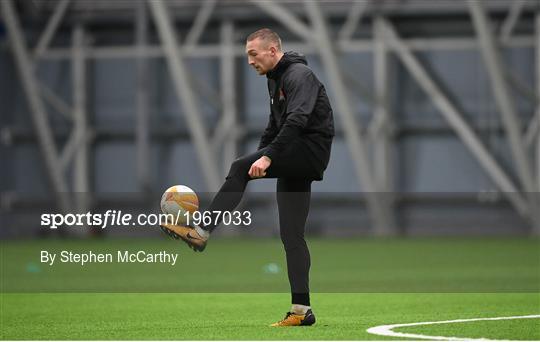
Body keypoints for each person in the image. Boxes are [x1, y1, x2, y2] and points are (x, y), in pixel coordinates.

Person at [161, 28, 334, 327]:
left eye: (254, 54)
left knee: (239, 166)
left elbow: (298, 119)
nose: (250, 61)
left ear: (272, 50)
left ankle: (200, 232)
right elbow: (273, 126)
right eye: (247, 56)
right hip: (294, 152)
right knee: (291, 235)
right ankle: (301, 310)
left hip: (308, 150)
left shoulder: (298, 75)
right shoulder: (274, 80)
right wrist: (261, 155)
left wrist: (265, 158)